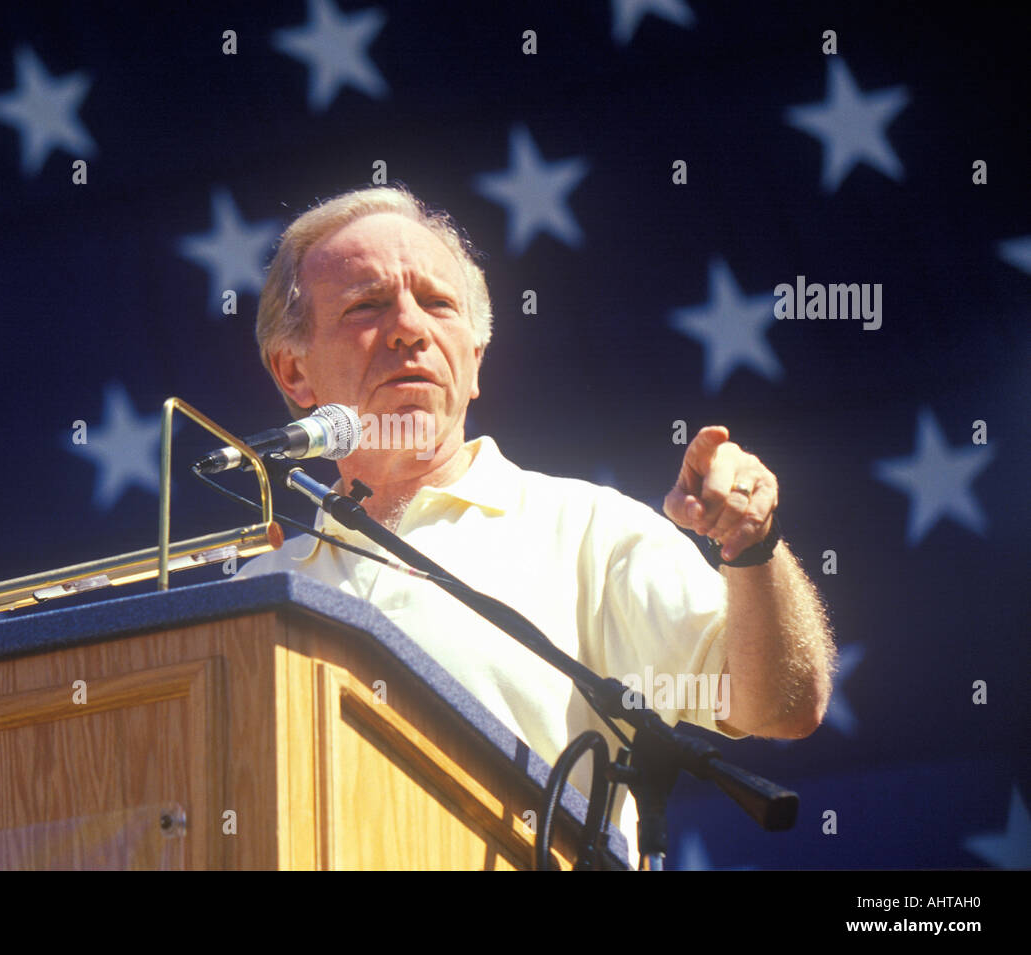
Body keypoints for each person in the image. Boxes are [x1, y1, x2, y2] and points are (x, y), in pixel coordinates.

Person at [235, 185, 835, 866]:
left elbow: (778, 705)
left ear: (475, 359)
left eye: (438, 304)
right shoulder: (259, 587)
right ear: (294, 372)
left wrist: (751, 547)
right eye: (367, 306)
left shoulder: (587, 532)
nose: (411, 328)